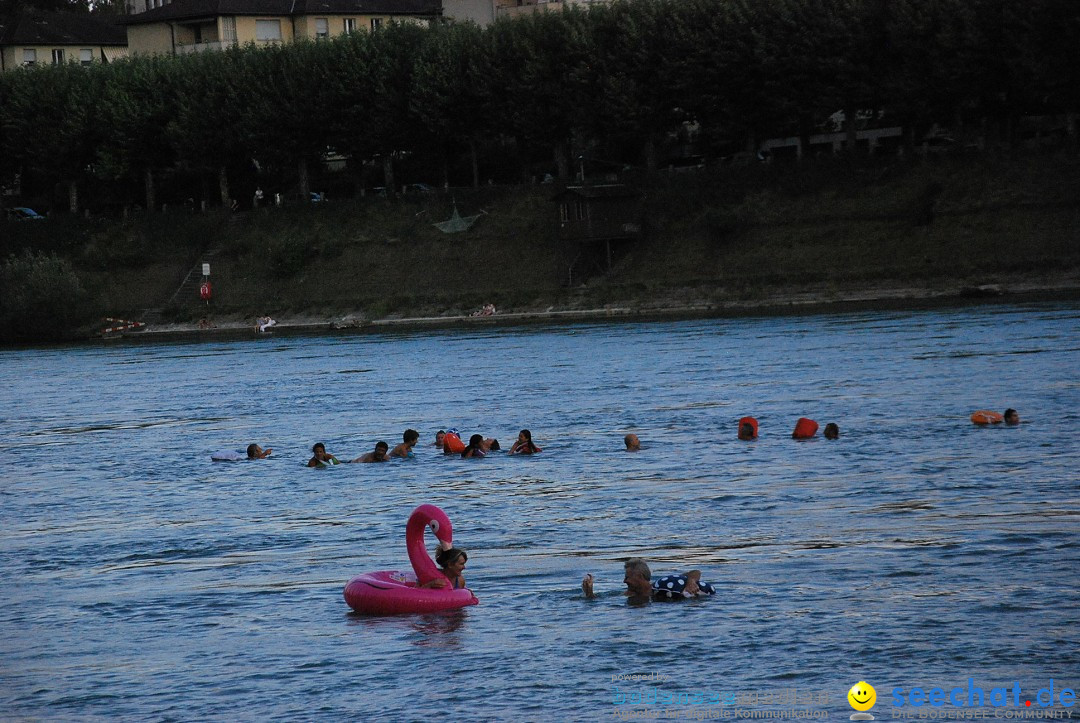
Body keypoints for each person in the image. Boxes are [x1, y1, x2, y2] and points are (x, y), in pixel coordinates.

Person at [582, 558, 653, 602]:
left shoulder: (657, 592)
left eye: (627, 577)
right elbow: (603, 600)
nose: (624, 581)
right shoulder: (630, 593)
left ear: (639, 576)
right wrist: (589, 593)